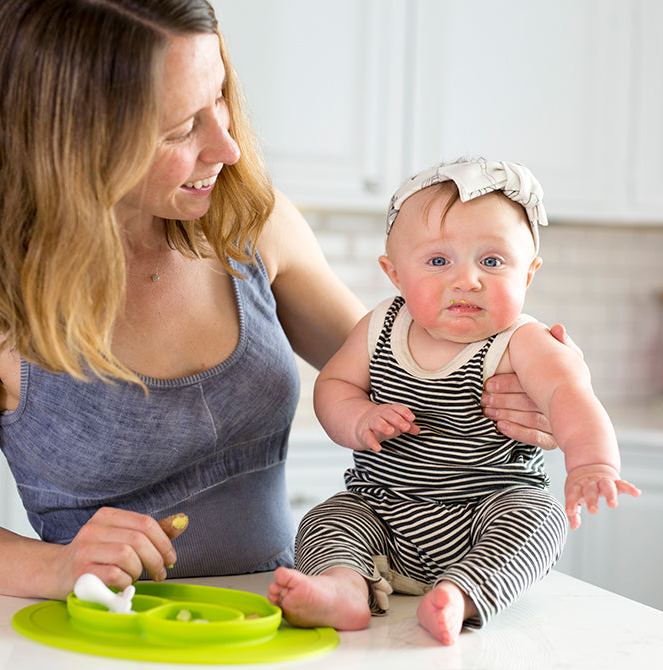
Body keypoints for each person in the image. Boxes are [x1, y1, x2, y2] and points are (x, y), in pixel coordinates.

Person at [0, 1, 568, 603]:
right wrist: (55, 566)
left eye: (222, 100)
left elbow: (399, 372)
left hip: (284, 619)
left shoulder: (253, 228)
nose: (228, 146)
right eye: (181, 128)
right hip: (109, 639)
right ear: (67, 140)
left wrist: (519, 385)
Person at [267, 159, 641, 645]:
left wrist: (592, 462)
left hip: (489, 509)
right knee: (328, 517)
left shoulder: (521, 341)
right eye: (439, 261)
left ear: (528, 274)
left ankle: (461, 594)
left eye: (492, 261)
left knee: (541, 519)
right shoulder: (381, 326)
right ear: (395, 274)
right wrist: (359, 417)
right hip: (384, 511)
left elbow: (569, 394)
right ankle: (344, 587)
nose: (468, 280)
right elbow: (333, 386)